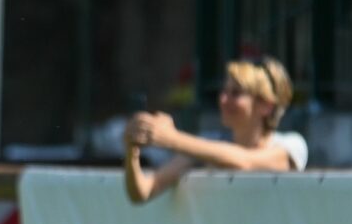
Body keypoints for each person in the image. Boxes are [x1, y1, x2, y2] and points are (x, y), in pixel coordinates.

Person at [124, 55, 308, 203]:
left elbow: (245, 162)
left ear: (266, 106)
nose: (223, 100)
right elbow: (143, 191)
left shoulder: (292, 144)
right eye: (224, 91)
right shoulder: (206, 144)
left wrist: (171, 138)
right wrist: (132, 149)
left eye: (235, 93)